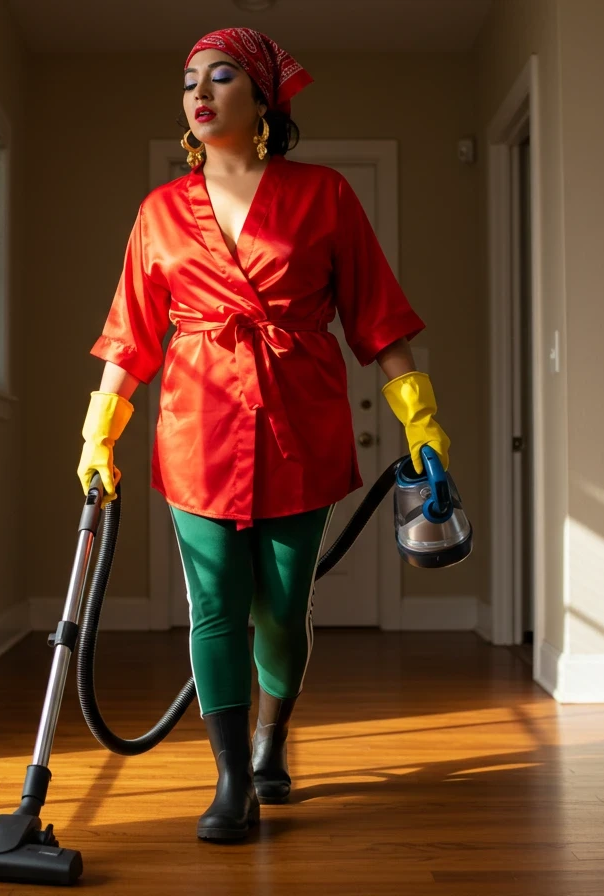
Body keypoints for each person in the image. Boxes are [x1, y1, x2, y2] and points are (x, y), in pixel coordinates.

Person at [76, 27, 450, 842]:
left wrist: (421, 422)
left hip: (299, 422)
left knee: (282, 609)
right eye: (188, 81)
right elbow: (129, 336)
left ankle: (271, 739)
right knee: (214, 605)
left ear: (264, 99)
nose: (198, 93)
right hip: (197, 426)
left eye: (219, 77)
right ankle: (232, 780)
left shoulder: (326, 196)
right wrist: (98, 434)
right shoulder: (159, 212)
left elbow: (380, 320)